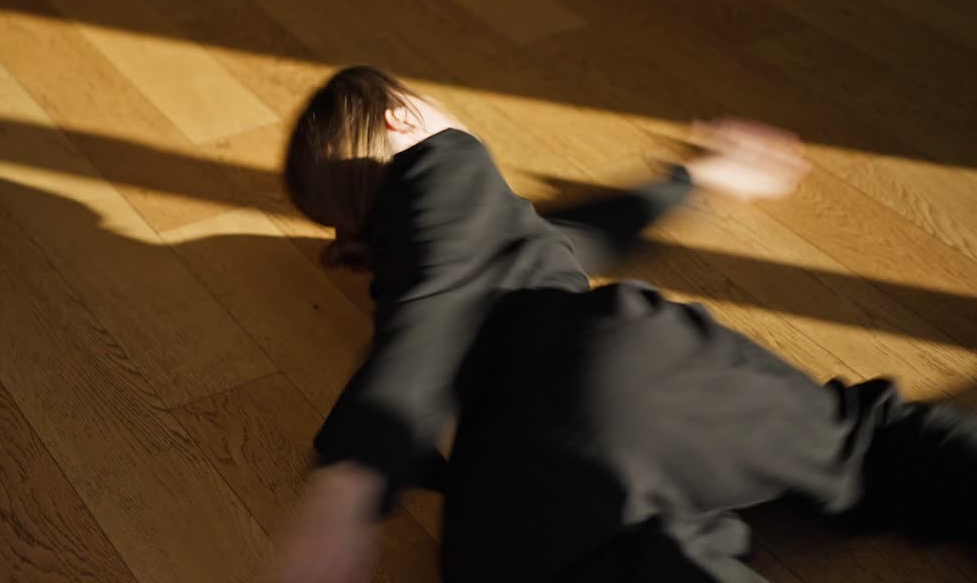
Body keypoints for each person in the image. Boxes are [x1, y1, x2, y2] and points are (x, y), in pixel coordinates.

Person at [270, 66, 977, 582]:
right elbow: (443, 293)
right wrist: (352, 476)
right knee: (867, 447)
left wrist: (688, 182)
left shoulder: (430, 256)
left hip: (516, 481)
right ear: (403, 120)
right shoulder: (440, 161)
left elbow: (559, 240)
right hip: (623, 362)